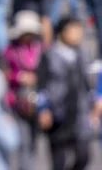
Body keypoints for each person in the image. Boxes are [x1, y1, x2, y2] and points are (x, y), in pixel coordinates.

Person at [37, 17, 94, 170]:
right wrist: (43, 109)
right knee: (58, 161)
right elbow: (40, 85)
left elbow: (92, 80)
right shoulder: (48, 55)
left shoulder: (83, 54)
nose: (78, 35)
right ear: (63, 32)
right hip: (57, 112)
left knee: (83, 155)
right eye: (74, 30)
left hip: (79, 111)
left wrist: (95, 103)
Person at [4, 11, 43, 170]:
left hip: (37, 99)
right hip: (17, 100)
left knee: (34, 139)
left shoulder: (39, 49)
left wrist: (36, 77)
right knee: (23, 139)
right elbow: (4, 73)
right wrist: (18, 77)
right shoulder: (10, 50)